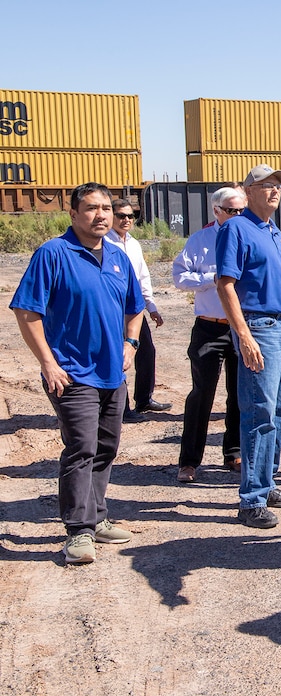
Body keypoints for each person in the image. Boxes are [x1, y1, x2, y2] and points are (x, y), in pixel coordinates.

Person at [9, 183, 144, 564]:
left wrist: (129, 345)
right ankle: (78, 532)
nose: (100, 215)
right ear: (73, 214)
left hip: (112, 373)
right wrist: (48, 363)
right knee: (81, 448)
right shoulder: (53, 253)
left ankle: (97, 518)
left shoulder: (118, 257)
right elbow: (27, 311)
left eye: (106, 208)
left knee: (106, 447)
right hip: (70, 373)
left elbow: (135, 308)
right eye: (90, 208)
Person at [216, 164, 281, 529]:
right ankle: (251, 498)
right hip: (260, 328)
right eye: (265, 186)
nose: (274, 191)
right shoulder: (236, 228)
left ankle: (268, 485)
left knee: (280, 411)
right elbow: (225, 285)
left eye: (278, 186)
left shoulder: (272, 230)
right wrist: (244, 335)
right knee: (259, 413)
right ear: (247, 191)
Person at [172, 185, 245, 483]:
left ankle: (234, 452)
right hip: (209, 327)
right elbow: (179, 277)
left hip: (242, 328)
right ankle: (189, 461)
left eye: (242, 210)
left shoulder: (249, 236)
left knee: (240, 394)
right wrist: (211, 279)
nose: (238, 215)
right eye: (231, 210)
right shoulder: (200, 240)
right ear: (216, 210)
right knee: (202, 394)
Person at [105, 200, 172, 422]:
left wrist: (151, 306)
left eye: (130, 216)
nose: (126, 220)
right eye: (121, 215)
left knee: (146, 352)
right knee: (119, 355)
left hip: (134, 309)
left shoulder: (134, 244)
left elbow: (143, 276)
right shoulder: (104, 242)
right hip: (113, 307)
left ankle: (144, 399)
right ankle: (121, 408)